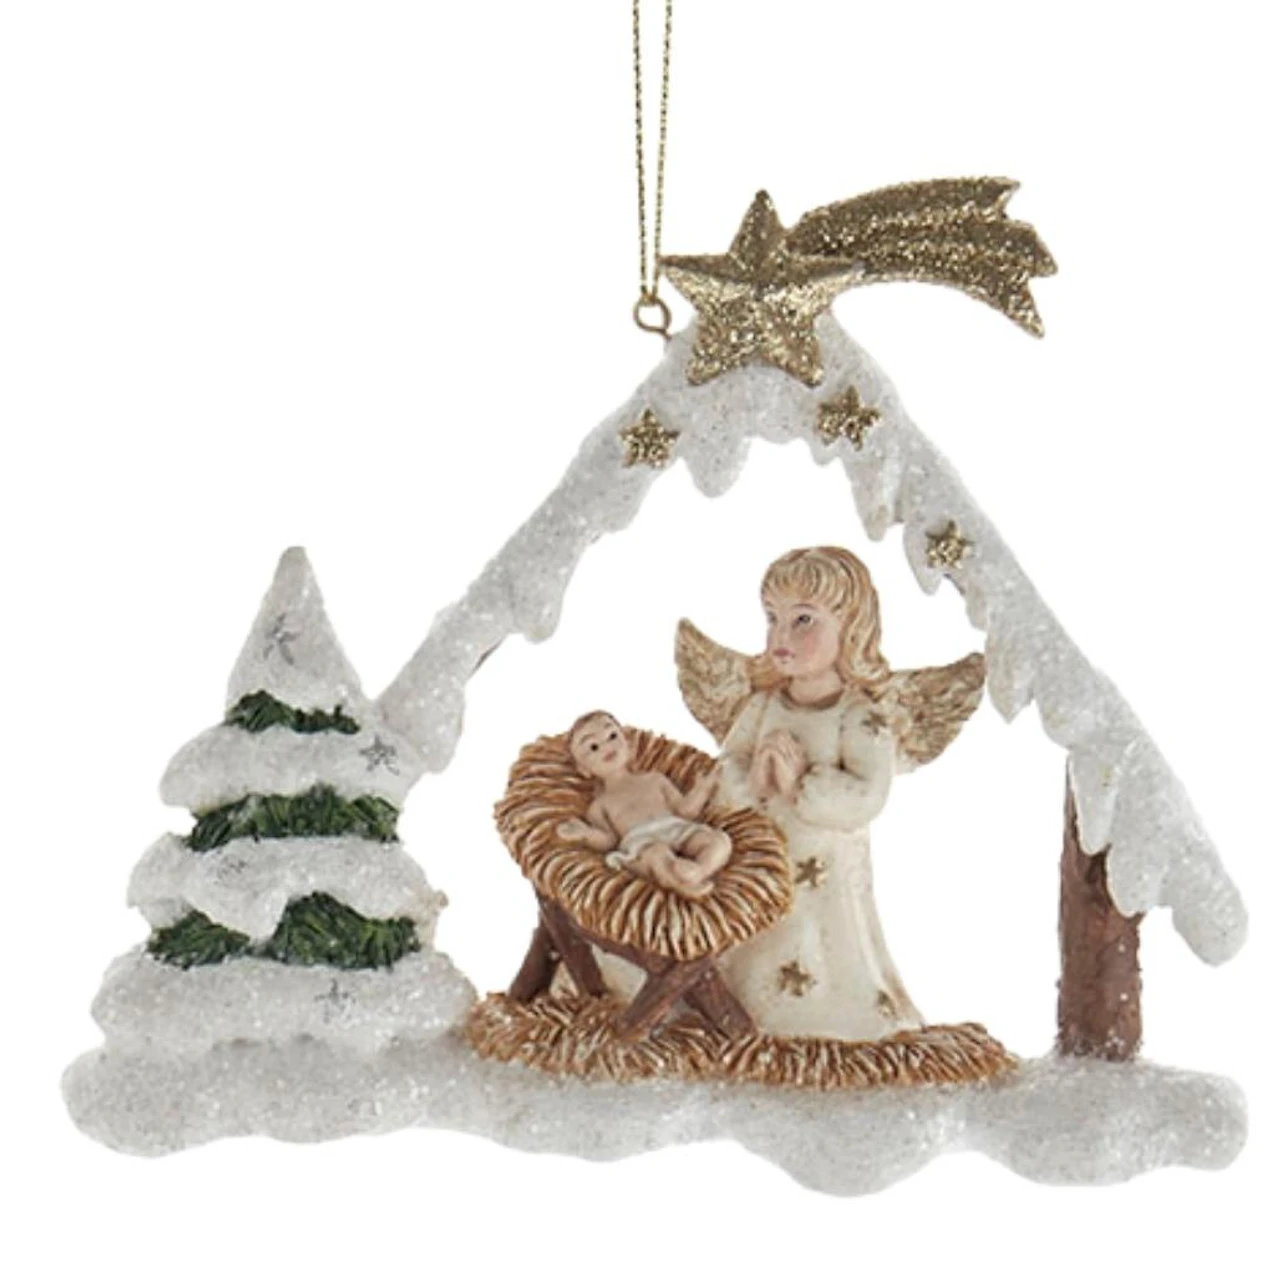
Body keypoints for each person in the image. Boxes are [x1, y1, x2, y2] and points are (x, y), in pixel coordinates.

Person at [712, 546, 924, 1041]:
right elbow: (723, 767)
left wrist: (799, 784)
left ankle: (826, 1020)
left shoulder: (859, 716)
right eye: (772, 619)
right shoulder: (762, 705)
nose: (780, 636)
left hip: (824, 872)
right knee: (754, 944)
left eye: (803, 620)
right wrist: (752, 780)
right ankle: (740, 1013)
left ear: (850, 629)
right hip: (758, 863)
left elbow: (868, 795)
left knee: (821, 940)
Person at [557, 711, 732, 899]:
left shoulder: (654, 779)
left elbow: (685, 811)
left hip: (676, 828)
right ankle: (678, 883)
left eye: (612, 736)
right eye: (593, 747)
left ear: (629, 744)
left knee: (719, 841)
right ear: (584, 769)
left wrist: (702, 790)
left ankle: (700, 871)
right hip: (641, 845)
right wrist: (585, 833)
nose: (606, 746)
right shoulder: (600, 805)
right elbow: (609, 841)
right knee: (657, 855)